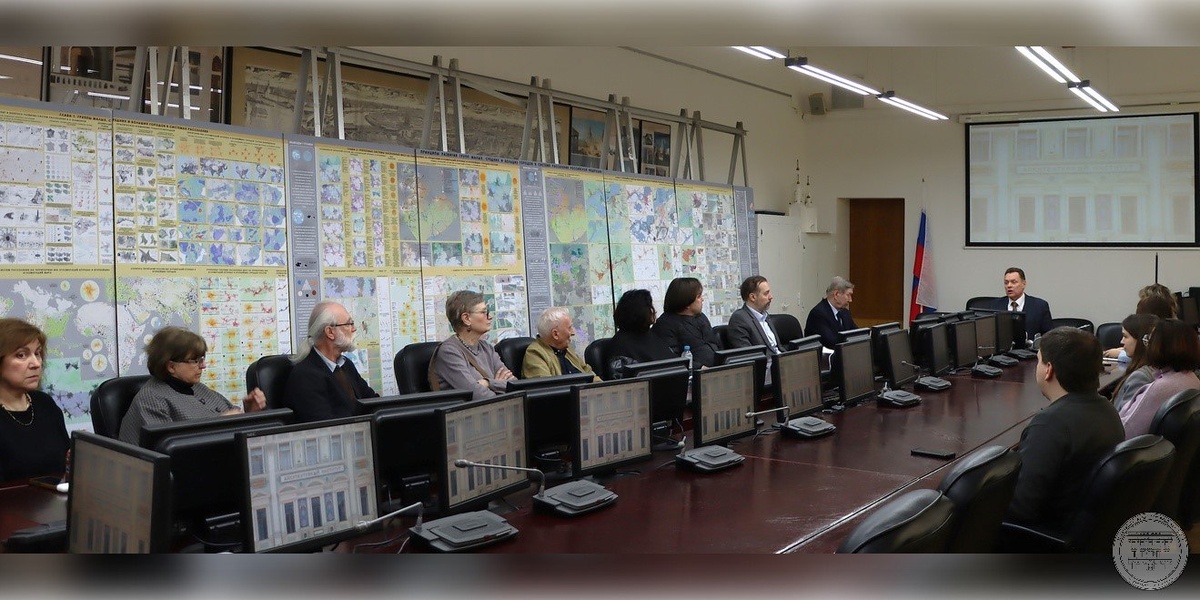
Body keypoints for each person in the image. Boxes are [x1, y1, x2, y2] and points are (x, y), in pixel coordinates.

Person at [1005, 327, 1123, 529]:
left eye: (1039, 360)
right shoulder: (1107, 408)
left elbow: (1020, 508)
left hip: (1043, 535)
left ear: (1048, 369)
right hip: (1085, 529)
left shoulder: (1051, 424)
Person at [119, 327, 267, 445]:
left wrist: (249, 414)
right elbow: (168, 449)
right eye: (195, 361)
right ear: (171, 366)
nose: (203, 366)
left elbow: (233, 423)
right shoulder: (151, 399)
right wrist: (221, 425)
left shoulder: (197, 387)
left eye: (202, 359)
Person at [285, 301, 379, 422]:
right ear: (330, 332)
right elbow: (324, 426)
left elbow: (372, 402)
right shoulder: (305, 376)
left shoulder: (346, 364)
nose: (354, 328)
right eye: (349, 324)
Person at [0, 319, 68, 481]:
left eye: (37, 353)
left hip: (55, 496)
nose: (36, 364)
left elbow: (62, 463)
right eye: (21, 355)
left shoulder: (45, 403)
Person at [1118, 318, 1200, 439]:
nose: (1147, 347)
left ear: (1160, 347)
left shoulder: (1161, 388)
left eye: (1149, 341)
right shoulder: (1192, 378)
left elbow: (1124, 432)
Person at [431, 290, 515, 399]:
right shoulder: (449, 352)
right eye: (484, 312)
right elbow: (475, 394)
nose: (490, 317)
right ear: (466, 319)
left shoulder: (486, 348)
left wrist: (488, 383)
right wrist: (499, 384)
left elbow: (514, 384)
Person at [650, 277, 722, 367]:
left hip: (717, 369)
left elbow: (715, 344)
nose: (702, 300)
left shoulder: (701, 317)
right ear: (687, 301)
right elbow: (671, 359)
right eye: (698, 297)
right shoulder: (665, 325)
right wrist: (698, 367)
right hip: (695, 373)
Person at [522, 307, 599, 381]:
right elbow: (546, 386)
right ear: (555, 334)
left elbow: (589, 373)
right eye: (569, 328)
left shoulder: (567, 349)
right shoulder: (535, 353)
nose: (573, 333)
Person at [608, 289, 677, 368]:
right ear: (639, 311)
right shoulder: (621, 345)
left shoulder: (650, 335)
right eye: (650, 306)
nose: (654, 311)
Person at [1105, 314, 1159, 411]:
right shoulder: (1154, 368)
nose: (1121, 341)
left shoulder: (1140, 378)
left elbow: (1124, 416)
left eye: (1125, 336)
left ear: (1141, 340)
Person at [991, 267, 1053, 340]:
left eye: (1014, 282)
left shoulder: (1040, 306)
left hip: (1030, 347)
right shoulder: (995, 305)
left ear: (1024, 284)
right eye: (1006, 283)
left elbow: (1048, 336)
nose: (1009, 286)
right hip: (1004, 347)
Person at [727, 275, 782, 353]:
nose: (771, 297)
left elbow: (778, 348)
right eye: (766, 293)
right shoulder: (739, 319)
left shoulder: (765, 316)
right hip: (765, 360)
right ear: (752, 297)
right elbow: (749, 354)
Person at [805, 276, 858, 349]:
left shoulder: (845, 313)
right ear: (836, 294)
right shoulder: (818, 314)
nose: (850, 300)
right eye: (848, 295)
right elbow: (831, 342)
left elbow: (856, 334)